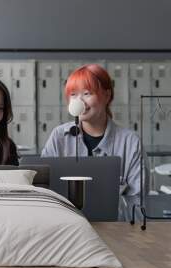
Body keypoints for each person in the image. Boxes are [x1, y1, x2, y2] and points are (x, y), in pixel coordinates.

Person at [41, 64, 149, 221]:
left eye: (87, 93)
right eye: (73, 94)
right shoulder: (59, 136)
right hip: (66, 228)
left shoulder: (131, 143)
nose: (79, 101)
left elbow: (138, 203)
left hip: (116, 231)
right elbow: (45, 191)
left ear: (107, 95)